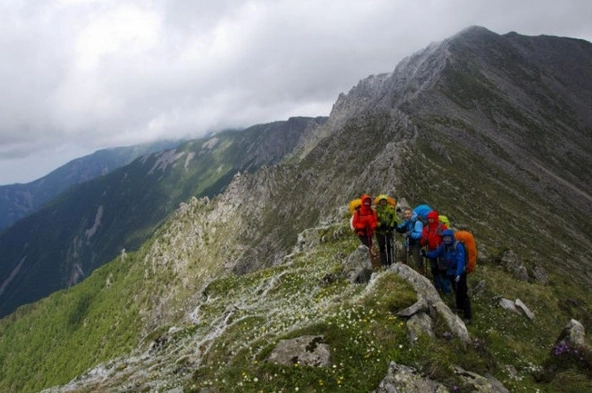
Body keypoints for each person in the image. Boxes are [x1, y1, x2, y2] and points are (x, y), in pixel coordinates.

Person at [424, 229, 472, 324]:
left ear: (451, 237)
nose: (446, 239)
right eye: (444, 238)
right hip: (451, 272)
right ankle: (459, 307)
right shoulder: (444, 246)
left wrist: (458, 274)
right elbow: (436, 253)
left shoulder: (458, 246)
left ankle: (468, 316)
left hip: (459, 273)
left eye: (448, 237)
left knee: (463, 292)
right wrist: (426, 254)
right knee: (456, 290)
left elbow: (461, 261)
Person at [421, 211, 449, 294]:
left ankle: (446, 288)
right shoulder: (427, 228)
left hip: (441, 250)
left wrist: (441, 246)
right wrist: (424, 241)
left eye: (432, 219)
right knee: (434, 268)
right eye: (429, 219)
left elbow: (447, 238)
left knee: (442, 269)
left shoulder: (442, 227)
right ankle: (438, 286)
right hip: (431, 249)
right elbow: (423, 240)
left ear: (436, 218)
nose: (430, 220)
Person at [396, 207, 424, 273]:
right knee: (402, 255)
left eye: (408, 214)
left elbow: (420, 235)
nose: (407, 215)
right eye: (405, 214)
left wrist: (411, 234)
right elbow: (401, 227)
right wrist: (396, 227)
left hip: (416, 244)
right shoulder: (407, 221)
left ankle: (421, 274)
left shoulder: (417, 222)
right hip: (408, 243)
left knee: (418, 261)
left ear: (412, 214)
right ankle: (405, 271)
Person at [374, 195, 399, 267]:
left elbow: (394, 218)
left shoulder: (391, 209)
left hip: (389, 231)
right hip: (379, 231)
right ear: (379, 201)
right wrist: (380, 224)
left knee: (390, 246)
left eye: (384, 200)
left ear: (386, 201)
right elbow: (373, 220)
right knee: (382, 247)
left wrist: (391, 226)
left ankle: (391, 262)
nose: (383, 201)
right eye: (381, 200)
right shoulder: (376, 210)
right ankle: (384, 264)